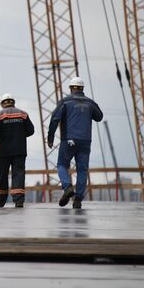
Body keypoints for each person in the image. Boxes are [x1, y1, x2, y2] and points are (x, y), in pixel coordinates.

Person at [47, 77, 103, 209]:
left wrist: (50, 137)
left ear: (71, 88)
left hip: (69, 140)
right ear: (82, 89)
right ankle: (78, 199)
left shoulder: (65, 102)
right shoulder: (90, 102)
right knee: (82, 170)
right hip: (85, 141)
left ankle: (67, 187)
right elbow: (99, 117)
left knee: (62, 164)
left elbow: (55, 119)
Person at [0, 93, 35, 208]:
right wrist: (20, 135)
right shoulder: (23, 114)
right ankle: (18, 200)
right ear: (13, 102)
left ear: (2, 104)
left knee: (2, 174)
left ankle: (0, 200)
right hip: (19, 150)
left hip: (4, 152)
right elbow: (31, 130)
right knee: (18, 174)